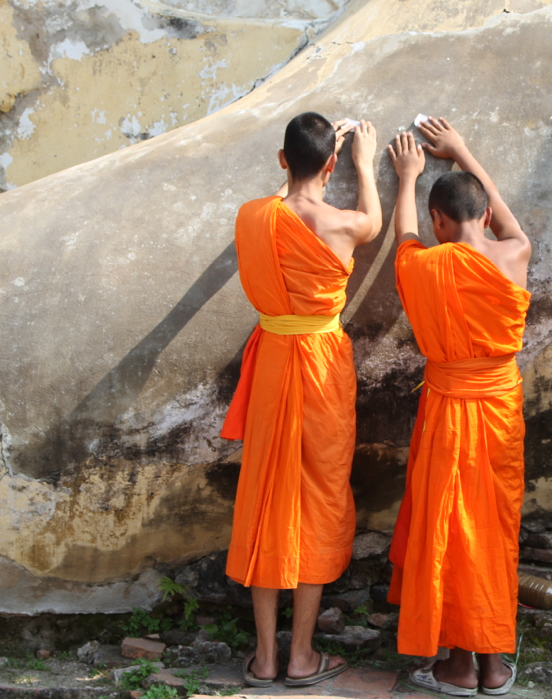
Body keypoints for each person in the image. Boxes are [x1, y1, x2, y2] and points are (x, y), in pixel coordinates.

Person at [220, 111, 380, 687]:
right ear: (331, 164)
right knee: (318, 495)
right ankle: (302, 656)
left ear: (282, 159)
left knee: (266, 496)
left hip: (271, 367)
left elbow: (274, 206)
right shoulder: (344, 225)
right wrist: (362, 162)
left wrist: (307, 158)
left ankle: (264, 658)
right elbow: (375, 218)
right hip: (321, 365)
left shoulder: (252, 215)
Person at [385, 117, 532, 697]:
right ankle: (493, 664)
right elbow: (502, 216)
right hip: (499, 408)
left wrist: (406, 178)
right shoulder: (515, 253)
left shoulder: (424, 264)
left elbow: (401, 239)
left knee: (447, 527)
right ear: (487, 218)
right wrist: (463, 150)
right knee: (494, 530)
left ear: (438, 222)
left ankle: (456, 664)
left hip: (448, 410)